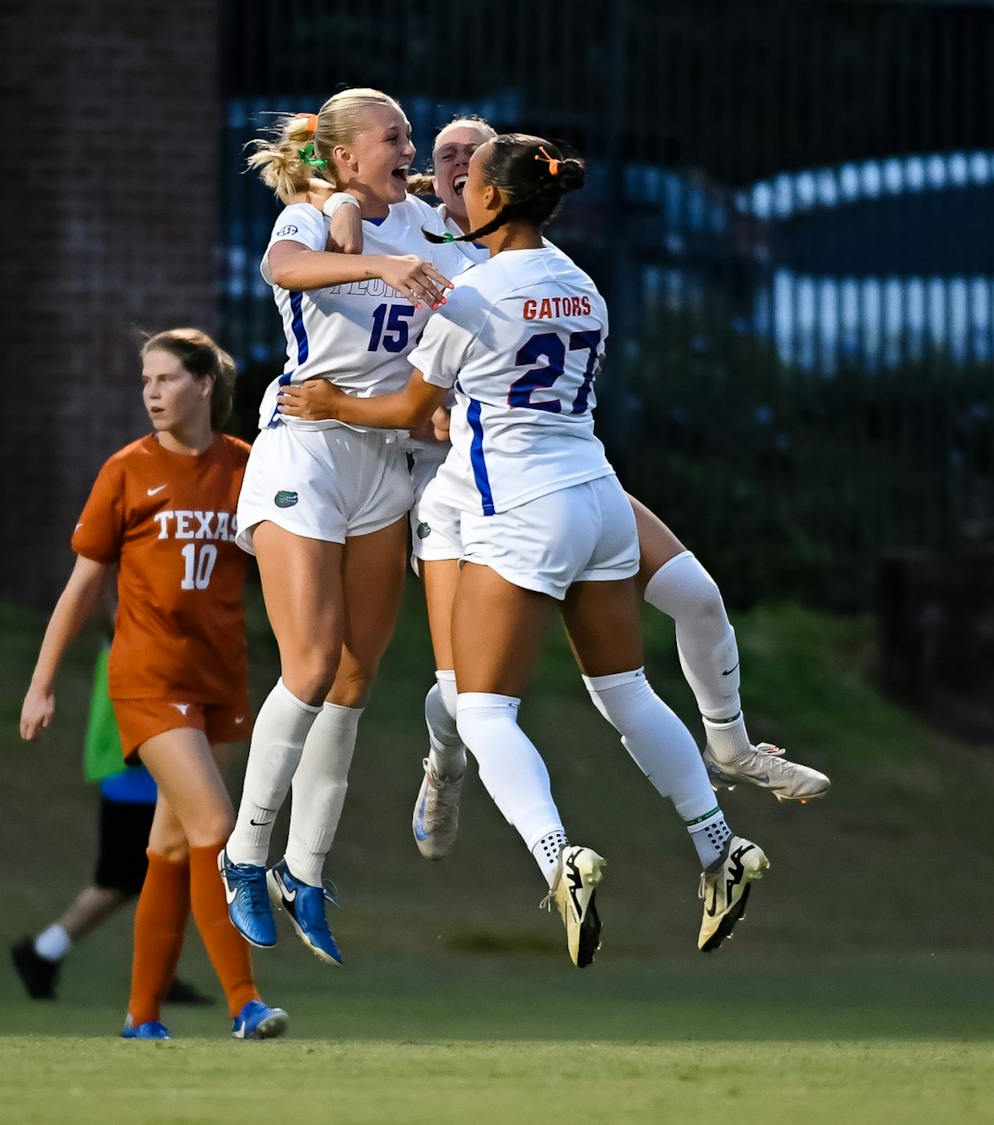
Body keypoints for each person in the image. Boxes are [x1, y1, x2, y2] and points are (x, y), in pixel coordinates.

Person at [280, 134, 771, 964]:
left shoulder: (469, 296)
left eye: (467, 184)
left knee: (481, 708)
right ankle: (720, 845)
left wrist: (328, 402)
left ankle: (558, 855)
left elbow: (409, 411)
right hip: (600, 497)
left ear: (497, 201)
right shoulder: (583, 285)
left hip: (524, 508)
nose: (455, 197)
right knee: (625, 690)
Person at [217, 88, 471, 967]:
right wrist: (375, 266)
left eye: (411, 135)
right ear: (344, 157)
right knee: (312, 663)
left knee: (357, 673)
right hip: (306, 449)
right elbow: (284, 272)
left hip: (385, 459)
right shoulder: (313, 213)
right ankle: (244, 854)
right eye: (393, 136)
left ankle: (306, 868)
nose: (411, 147)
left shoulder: (435, 229)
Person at [19, 327, 287, 1039]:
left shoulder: (245, 466)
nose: (152, 392)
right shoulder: (126, 470)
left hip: (220, 677)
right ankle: (244, 1001)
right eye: (146, 380)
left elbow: (283, 560)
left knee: (170, 847)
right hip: (147, 677)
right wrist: (41, 681)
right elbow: (82, 587)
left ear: (204, 386)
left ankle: (141, 1016)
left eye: (166, 378)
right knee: (217, 828)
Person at [10, 646, 213, 1007]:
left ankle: (48, 954)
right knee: (129, 879)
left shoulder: (135, 640)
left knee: (141, 879)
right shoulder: (132, 644)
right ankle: (46, 953)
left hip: (139, 778)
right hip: (138, 780)